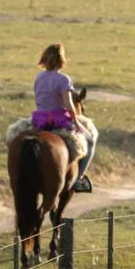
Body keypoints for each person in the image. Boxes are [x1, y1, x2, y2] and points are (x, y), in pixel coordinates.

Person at [32, 43, 94, 193]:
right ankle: (79, 179)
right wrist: (77, 122)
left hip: (39, 119)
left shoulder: (38, 77)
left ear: (44, 60)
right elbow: (69, 105)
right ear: (62, 61)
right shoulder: (64, 80)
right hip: (58, 120)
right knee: (90, 139)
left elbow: (39, 100)